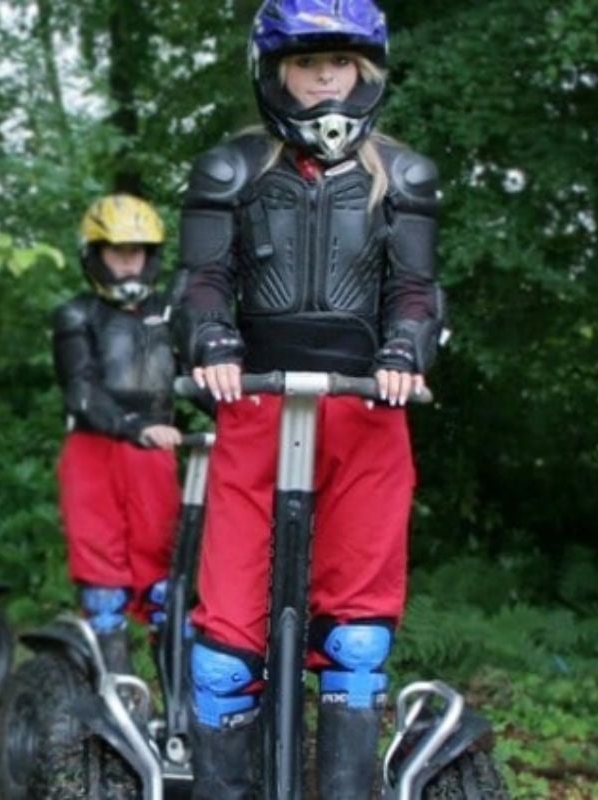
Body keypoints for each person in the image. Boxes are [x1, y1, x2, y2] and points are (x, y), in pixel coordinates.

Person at [175, 1, 445, 797]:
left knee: (357, 641)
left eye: (339, 62)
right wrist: (211, 340)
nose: (324, 77)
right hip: (256, 405)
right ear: (275, 73)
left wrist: (405, 347)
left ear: (365, 70)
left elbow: (418, 292)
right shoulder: (232, 168)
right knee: (225, 645)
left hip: (366, 411)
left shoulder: (404, 174)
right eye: (305, 63)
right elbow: (199, 282)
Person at [52, 194, 184, 674]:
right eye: (117, 251)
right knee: (103, 586)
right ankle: (112, 706)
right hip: (94, 450)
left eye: (138, 252)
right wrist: (132, 427)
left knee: (165, 583)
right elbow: (80, 388)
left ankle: (184, 717)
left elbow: (203, 380)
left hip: (155, 453)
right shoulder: (76, 315)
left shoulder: (171, 314)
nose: (129, 262)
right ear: (96, 255)